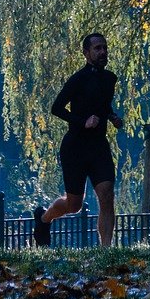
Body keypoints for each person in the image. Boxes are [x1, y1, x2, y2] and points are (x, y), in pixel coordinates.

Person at [34, 32, 122, 247]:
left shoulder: (109, 79)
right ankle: (44, 219)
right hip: (75, 147)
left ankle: (106, 250)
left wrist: (111, 116)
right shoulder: (77, 79)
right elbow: (56, 108)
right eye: (97, 48)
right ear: (86, 53)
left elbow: (102, 104)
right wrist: (83, 122)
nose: (102, 52)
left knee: (107, 194)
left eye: (104, 47)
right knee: (74, 205)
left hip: (99, 146)